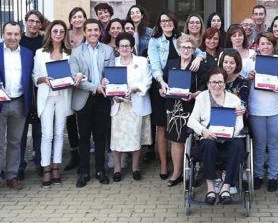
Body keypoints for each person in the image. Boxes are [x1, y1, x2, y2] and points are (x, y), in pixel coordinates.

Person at [147, 11, 203, 179]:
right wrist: (161, 82)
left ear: (174, 21)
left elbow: (198, 51)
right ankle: (164, 165)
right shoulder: (154, 41)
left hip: (184, 87)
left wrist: (198, 59)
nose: (166, 23)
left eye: (169, 20)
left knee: (179, 126)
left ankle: (183, 166)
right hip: (162, 85)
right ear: (159, 23)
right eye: (163, 21)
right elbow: (155, 65)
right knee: (163, 127)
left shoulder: (183, 36)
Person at [0, 21, 34, 194]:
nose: (12, 37)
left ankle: (12, 176)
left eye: (16, 34)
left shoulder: (28, 54)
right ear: (3, 33)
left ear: (20, 35)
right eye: (9, 34)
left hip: (20, 102)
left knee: (15, 142)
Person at [186, 67, 246, 205]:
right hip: (209, 139)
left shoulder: (234, 100)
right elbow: (192, 120)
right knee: (208, 144)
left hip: (229, 140)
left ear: (225, 84)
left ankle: (226, 187)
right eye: (213, 82)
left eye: (220, 82)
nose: (216, 85)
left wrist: (230, 134)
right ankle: (211, 188)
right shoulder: (202, 98)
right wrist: (203, 131)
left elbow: (239, 125)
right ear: (208, 84)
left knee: (238, 145)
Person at [243, 32, 278, 192]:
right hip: (257, 108)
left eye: (269, 44)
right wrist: (249, 77)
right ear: (257, 45)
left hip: (277, 108)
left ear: (274, 45)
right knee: (259, 143)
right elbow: (242, 83)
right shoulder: (251, 61)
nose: (265, 46)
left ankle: (273, 176)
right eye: (262, 43)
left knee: (274, 143)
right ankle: (258, 175)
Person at [69, 18, 115, 187]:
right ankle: (83, 172)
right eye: (89, 30)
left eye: (96, 30)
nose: (93, 33)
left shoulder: (108, 50)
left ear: (100, 31)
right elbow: (75, 78)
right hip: (83, 98)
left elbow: (110, 73)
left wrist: (105, 81)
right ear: (85, 32)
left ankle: (100, 170)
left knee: (100, 137)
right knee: (84, 138)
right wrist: (95, 87)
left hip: (102, 99)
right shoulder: (76, 52)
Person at [160, 35, 208, 187]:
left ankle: (193, 172)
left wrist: (194, 95)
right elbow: (164, 83)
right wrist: (162, 89)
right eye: (183, 47)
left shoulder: (199, 65)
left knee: (193, 139)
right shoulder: (171, 63)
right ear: (178, 49)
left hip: (191, 106)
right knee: (175, 140)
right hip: (173, 107)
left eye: (189, 47)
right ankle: (177, 173)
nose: (186, 50)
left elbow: (204, 87)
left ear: (194, 50)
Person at [33, 20, 74, 187]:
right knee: (47, 134)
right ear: (50, 33)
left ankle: (56, 166)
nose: (58, 34)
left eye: (61, 32)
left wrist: (74, 78)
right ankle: (46, 167)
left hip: (63, 97)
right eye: (55, 31)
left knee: (59, 133)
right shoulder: (40, 53)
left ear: (65, 35)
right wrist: (44, 79)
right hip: (46, 97)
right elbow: (35, 77)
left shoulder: (69, 54)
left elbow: (74, 74)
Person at [109, 33, 152, 182]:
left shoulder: (142, 61)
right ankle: (117, 168)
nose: (125, 48)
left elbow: (148, 81)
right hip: (119, 106)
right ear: (117, 48)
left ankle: (135, 168)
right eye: (122, 46)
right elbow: (108, 82)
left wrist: (135, 88)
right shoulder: (112, 62)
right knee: (116, 139)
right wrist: (112, 94)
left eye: (127, 45)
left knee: (135, 138)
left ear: (132, 47)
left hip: (136, 105)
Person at [18, 10, 45, 179]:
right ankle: (19, 165)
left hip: (40, 89)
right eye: (31, 21)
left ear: (41, 24)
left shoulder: (44, 41)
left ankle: (40, 162)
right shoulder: (18, 40)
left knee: (39, 130)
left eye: (37, 21)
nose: (33, 24)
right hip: (22, 89)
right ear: (25, 22)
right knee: (20, 131)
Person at [64, 6, 88, 171]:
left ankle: (87, 151)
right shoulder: (65, 35)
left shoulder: (88, 35)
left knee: (84, 117)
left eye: (80, 16)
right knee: (70, 119)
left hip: (84, 81)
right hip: (67, 81)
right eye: (75, 17)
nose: (77, 19)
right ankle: (74, 153)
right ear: (70, 19)